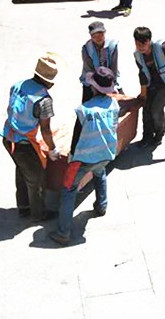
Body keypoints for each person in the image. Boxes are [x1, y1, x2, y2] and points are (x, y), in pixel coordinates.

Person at [49, 66, 120, 245]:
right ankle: (101, 206)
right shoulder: (114, 105)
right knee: (99, 172)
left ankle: (63, 233)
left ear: (93, 87)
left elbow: (76, 137)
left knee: (69, 190)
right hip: (106, 154)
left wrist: (71, 156)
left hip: (83, 159)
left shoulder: (84, 110)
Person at [1, 53, 63, 222]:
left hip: (8, 137)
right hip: (24, 144)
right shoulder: (44, 100)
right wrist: (52, 149)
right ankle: (38, 214)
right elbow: (45, 130)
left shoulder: (19, 84)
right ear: (47, 80)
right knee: (37, 180)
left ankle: (24, 207)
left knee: (22, 172)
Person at [80, 21, 119, 103]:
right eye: (94, 35)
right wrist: (96, 88)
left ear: (105, 32)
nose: (98, 37)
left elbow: (114, 67)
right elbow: (88, 69)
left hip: (109, 78)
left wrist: (112, 85)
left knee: (120, 104)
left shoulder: (112, 46)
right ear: (91, 36)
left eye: (100, 34)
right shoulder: (86, 48)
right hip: (91, 79)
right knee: (87, 105)